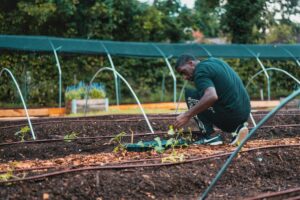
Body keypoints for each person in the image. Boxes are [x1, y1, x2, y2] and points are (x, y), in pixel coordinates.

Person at [173, 54, 251, 146]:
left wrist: (187, 115)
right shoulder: (215, 61)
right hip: (244, 115)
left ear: (191, 63)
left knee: (191, 94)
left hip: (230, 118)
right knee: (200, 95)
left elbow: (211, 96)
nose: (185, 77)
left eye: (183, 72)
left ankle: (208, 136)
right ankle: (239, 129)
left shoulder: (200, 71)